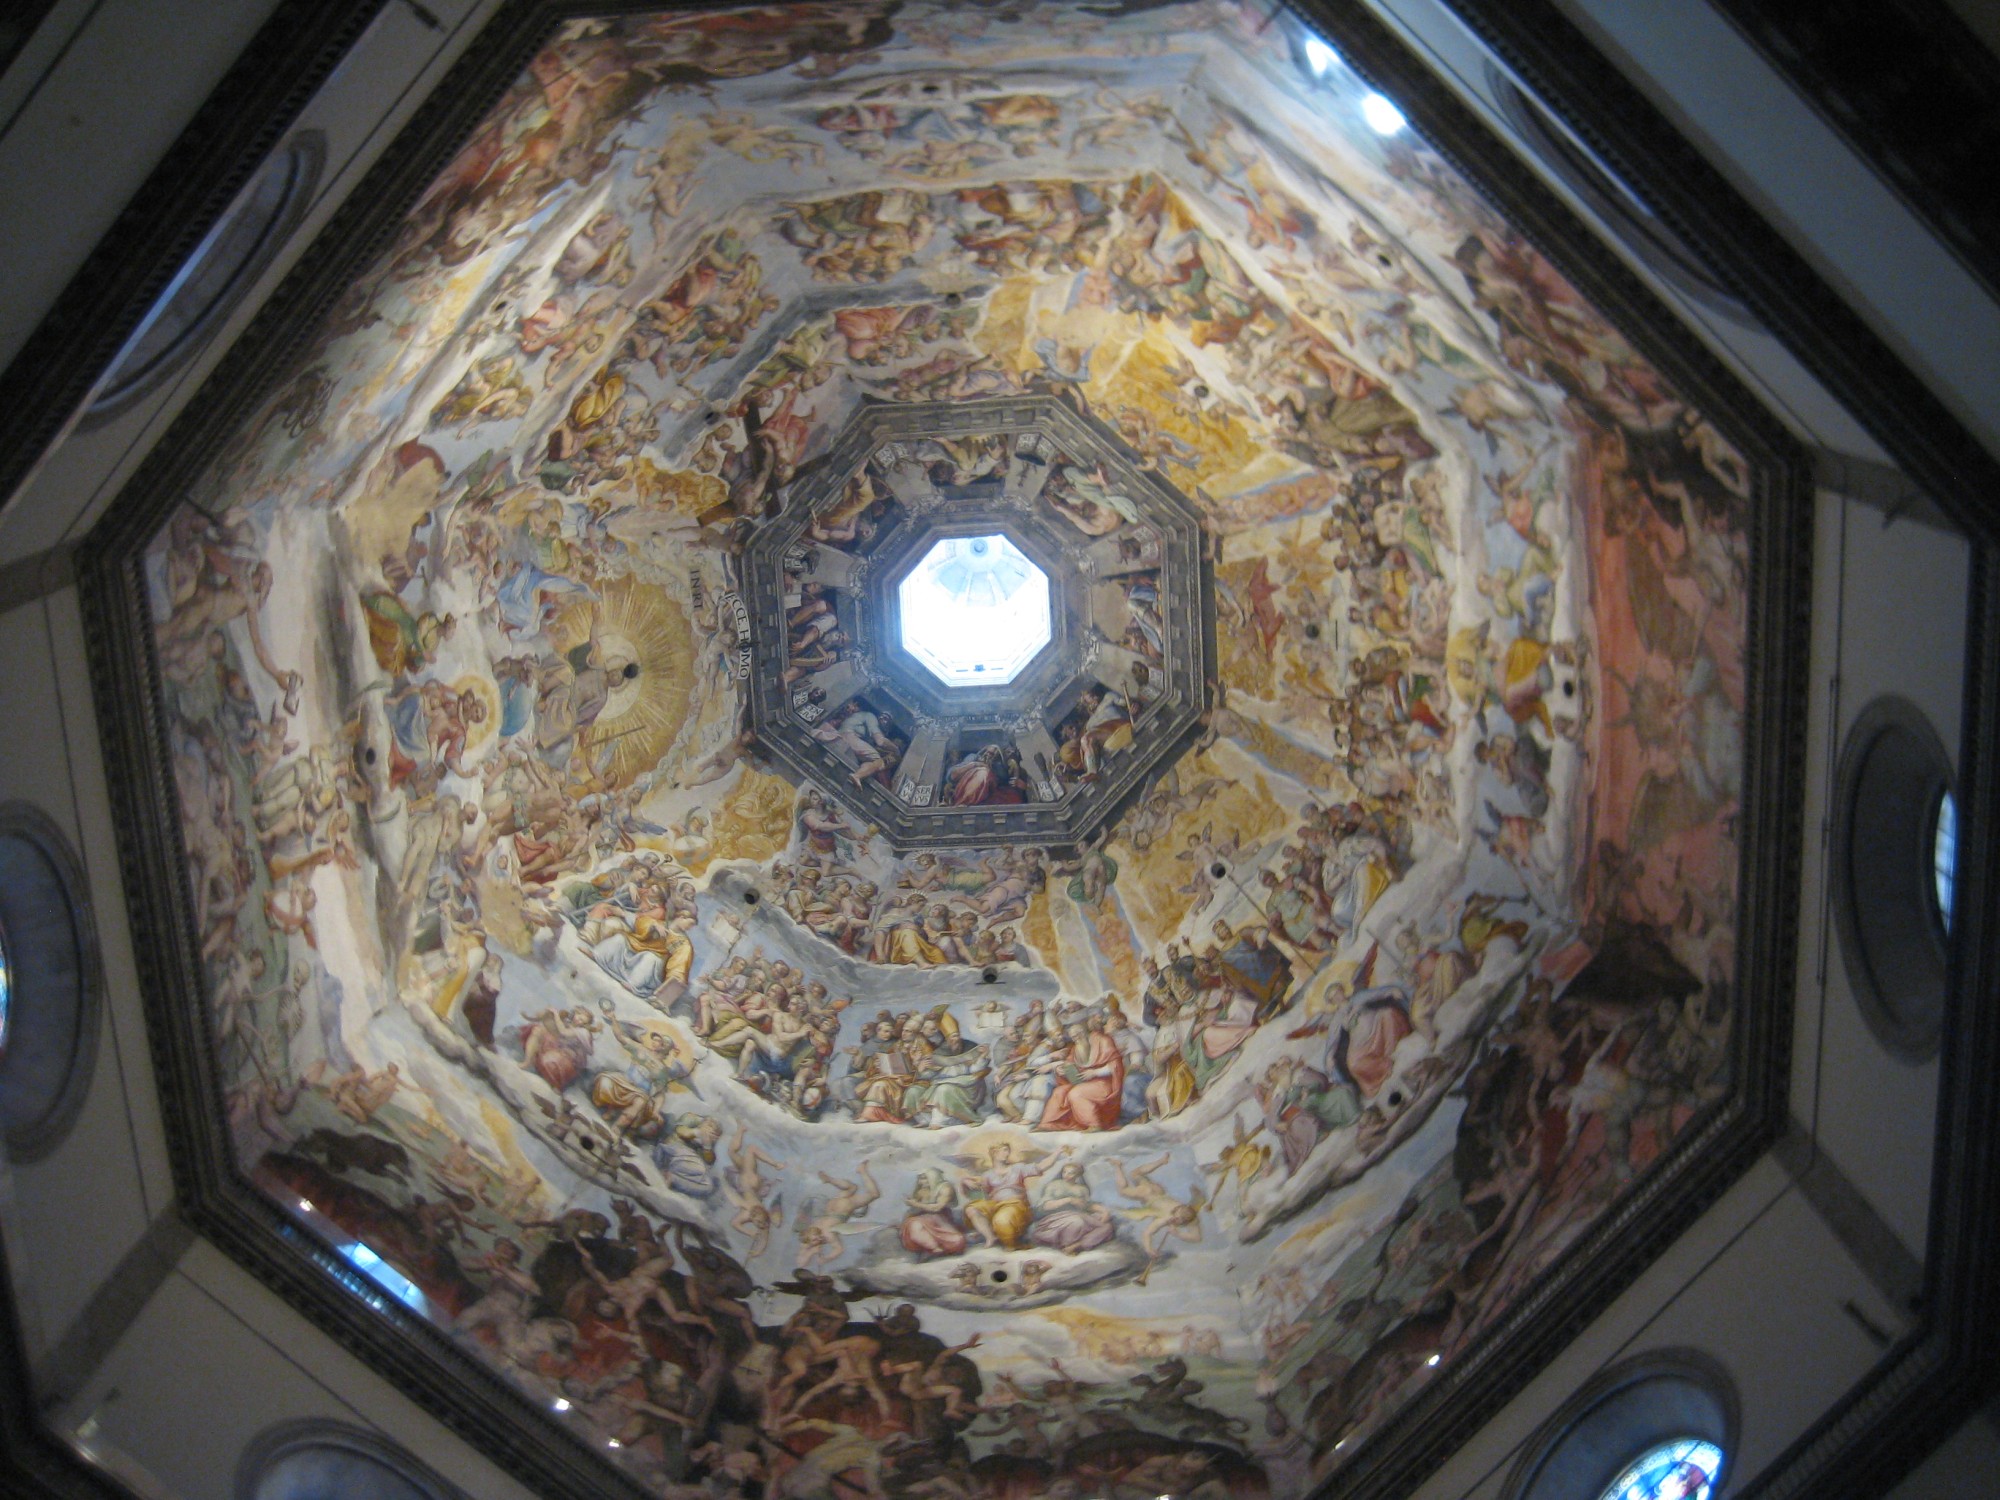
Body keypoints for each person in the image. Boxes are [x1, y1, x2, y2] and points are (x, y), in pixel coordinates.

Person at [961, 1143, 1067, 1251]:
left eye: (1007, 1150)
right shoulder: (988, 1174)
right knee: (972, 1209)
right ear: (994, 1153)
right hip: (995, 1204)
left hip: (1015, 1204)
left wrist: (1057, 1152)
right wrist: (965, 1181)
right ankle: (991, 1237)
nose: (1007, 1153)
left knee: (1002, 1220)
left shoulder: (1018, 1168)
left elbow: (1042, 1166)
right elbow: (976, 1184)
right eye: (1003, 1150)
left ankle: (1011, 1244)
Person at [1039, 1017, 1125, 1131]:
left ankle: (1094, 1124)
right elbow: (1069, 1064)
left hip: (1104, 1083)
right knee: (1059, 1092)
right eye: (1073, 1037)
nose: (1076, 1039)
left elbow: (1115, 1065)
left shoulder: (1103, 1041)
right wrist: (1061, 1070)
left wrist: (1095, 1072)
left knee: (1076, 1093)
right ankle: (1048, 1124)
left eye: (1077, 1035)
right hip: (1083, 1082)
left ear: (1083, 1032)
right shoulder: (1076, 1047)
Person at [1028, 1162, 1116, 1254]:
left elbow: (1087, 1206)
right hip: (1057, 1219)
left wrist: (1104, 1211)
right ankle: (1066, 1244)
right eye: (1064, 1172)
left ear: (1078, 1175)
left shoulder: (1082, 1189)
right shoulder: (1054, 1185)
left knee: (1108, 1226)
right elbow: (1045, 1206)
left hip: (1082, 1216)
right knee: (1076, 1221)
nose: (1066, 1175)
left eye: (1071, 1173)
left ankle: (1077, 1245)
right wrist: (1069, 1200)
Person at [900, 1168, 969, 1258]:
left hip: (939, 1219)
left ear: (933, 1176)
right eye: (920, 1179)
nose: (921, 1182)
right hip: (920, 1219)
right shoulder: (921, 1191)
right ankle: (934, 1248)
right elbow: (915, 1209)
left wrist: (916, 1204)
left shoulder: (945, 1188)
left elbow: (937, 1207)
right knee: (914, 1225)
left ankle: (942, 1248)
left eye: (924, 1178)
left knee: (958, 1241)